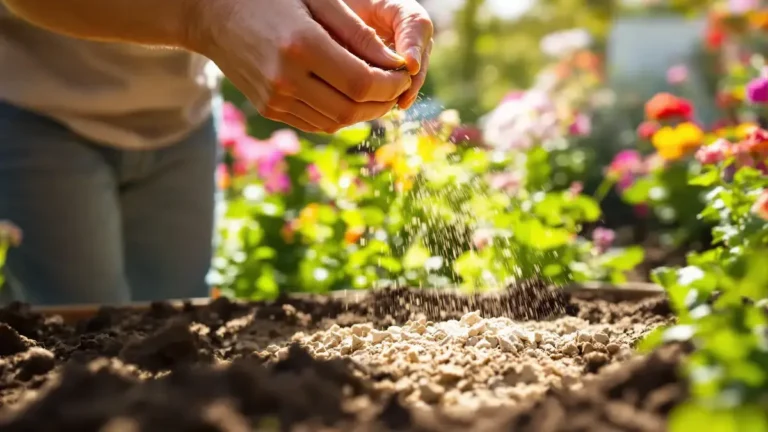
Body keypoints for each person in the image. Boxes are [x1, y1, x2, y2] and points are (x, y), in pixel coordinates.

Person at [0, 0, 433, 306]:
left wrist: (336, 11)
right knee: (82, 348)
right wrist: (206, 16)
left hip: (181, 120)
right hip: (40, 115)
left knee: (172, 337)